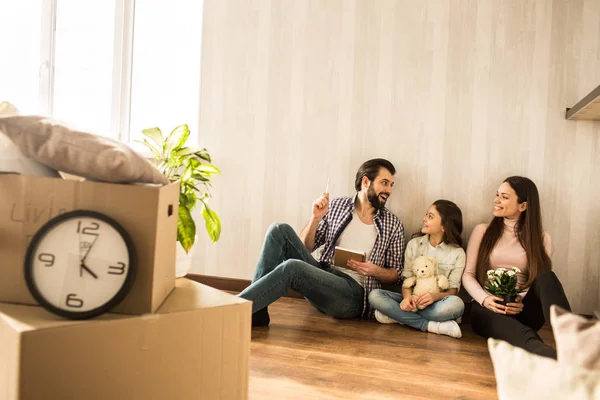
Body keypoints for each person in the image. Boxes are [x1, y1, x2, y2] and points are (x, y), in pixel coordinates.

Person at [238, 158, 405, 326]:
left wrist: (374, 270)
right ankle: (256, 311)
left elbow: (396, 276)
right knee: (278, 230)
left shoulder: (392, 224)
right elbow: (306, 247)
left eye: (391, 185)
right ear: (366, 181)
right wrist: (315, 218)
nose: (389, 190)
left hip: (353, 295)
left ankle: (231, 310)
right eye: (384, 183)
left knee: (293, 267)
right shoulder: (337, 206)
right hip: (323, 275)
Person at [462, 176, 570, 358]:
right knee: (524, 337)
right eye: (497, 195)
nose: (496, 201)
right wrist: (485, 299)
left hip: (522, 310)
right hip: (487, 309)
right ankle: (550, 355)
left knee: (547, 277)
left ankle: (572, 339)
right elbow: (468, 274)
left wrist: (520, 299)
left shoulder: (542, 239)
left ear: (523, 206)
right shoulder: (482, 231)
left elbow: (537, 281)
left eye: (504, 197)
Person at [369, 200, 466, 338]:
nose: (424, 219)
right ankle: (431, 325)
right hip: (413, 300)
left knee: (457, 305)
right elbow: (407, 280)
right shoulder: (414, 245)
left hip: (437, 304)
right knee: (375, 296)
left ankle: (397, 317)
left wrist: (434, 296)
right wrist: (407, 299)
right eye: (426, 214)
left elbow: (453, 291)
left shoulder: (457, 253)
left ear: (444, 226)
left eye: (430, 216)